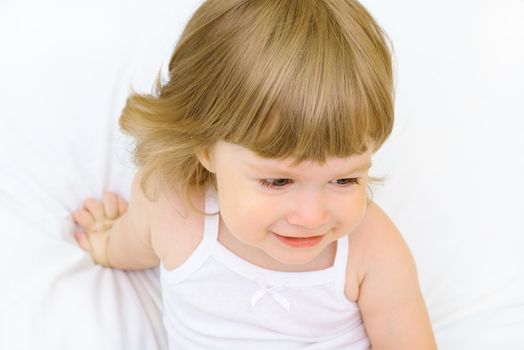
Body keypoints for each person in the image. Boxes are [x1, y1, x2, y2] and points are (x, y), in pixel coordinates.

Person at [72, 0, 437, 348]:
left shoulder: (371, 249)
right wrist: (105, 242)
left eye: (344, 180)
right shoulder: (170, 207)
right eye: (278, 181)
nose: (312, 216)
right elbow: (130, 246)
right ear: (205, 147)